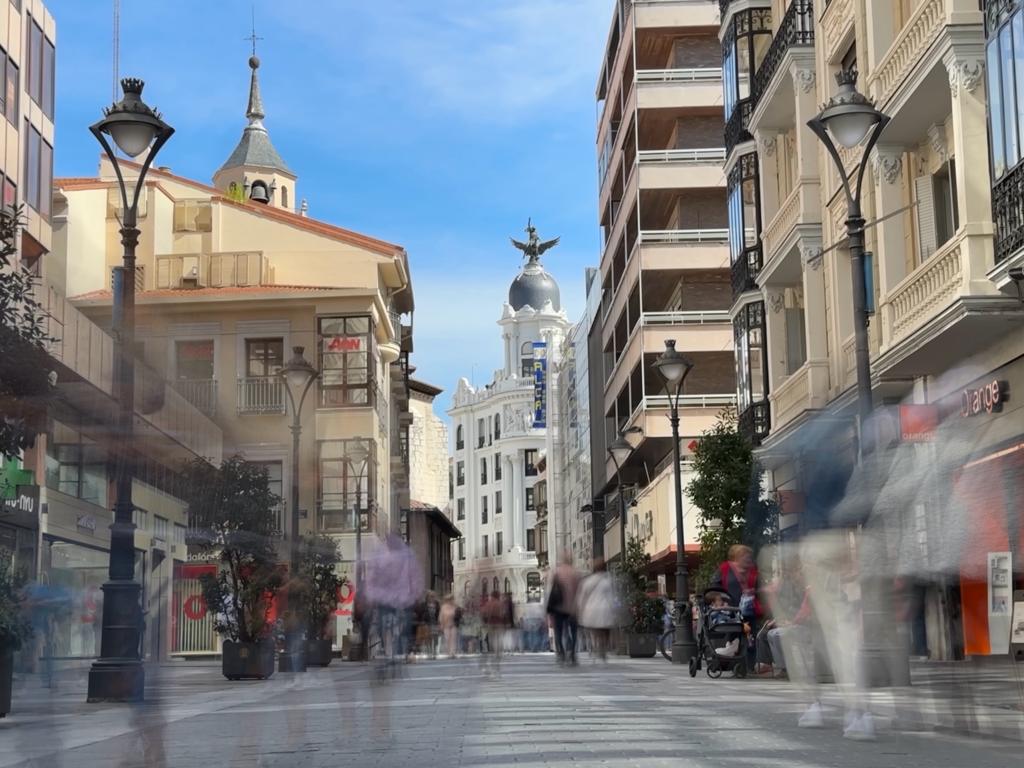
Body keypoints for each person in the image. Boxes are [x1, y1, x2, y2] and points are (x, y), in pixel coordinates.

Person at [710, 544, 762, 664]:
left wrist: (754, 591)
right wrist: (720, 601)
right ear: (737, 557)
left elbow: (759, 587)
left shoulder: (753, 570)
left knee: (750, 635)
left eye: (749, 557)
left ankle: (750, 665)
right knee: (733, 634)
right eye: (745, 557)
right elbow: (715, 585)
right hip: (730, 609)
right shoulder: (726, 568)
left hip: (749, 609)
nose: (748, 559)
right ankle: (734, 663)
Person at [576, 558, 616, 662]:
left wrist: (580, 610)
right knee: (605, 631)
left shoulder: (588, 581)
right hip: (605, 609)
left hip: (591, 610)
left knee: (595, 631)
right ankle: (602, 649)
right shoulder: (608, 580)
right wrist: (613, 609)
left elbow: (582, 597)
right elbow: (611, 596)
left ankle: (596, 648)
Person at [546, 552, 581, 666]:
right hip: (572, 607)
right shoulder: (575, 573)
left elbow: (551, 591)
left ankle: (561, 653)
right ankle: (572, 654)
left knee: (559, 632)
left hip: (558, 608)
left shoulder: (557, 572)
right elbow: (578, 591)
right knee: (574, 632)